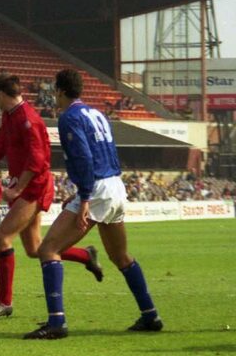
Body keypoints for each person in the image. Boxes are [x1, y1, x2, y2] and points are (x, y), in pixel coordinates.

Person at [25, 70, 163, 339]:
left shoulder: (68, 118)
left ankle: (57, 323)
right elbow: (105, 152)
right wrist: (81, 194)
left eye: (55, 91)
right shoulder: (97, 113)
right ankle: (151, 316)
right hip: (114, 185)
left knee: (48, 249)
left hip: (97, 189)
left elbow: (85, 158)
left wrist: (85, 197)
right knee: (120, 256)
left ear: (60, 91)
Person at [0, 75, 102, 319]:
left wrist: (19, 188)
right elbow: (0, 145)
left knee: (1, 238)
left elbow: (38, 160)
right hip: (29, 187)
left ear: (0, 94)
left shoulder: (29, 119)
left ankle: (4, 302)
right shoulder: (10, 116)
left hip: (35, 188)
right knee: (35, 249)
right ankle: (85, 255)